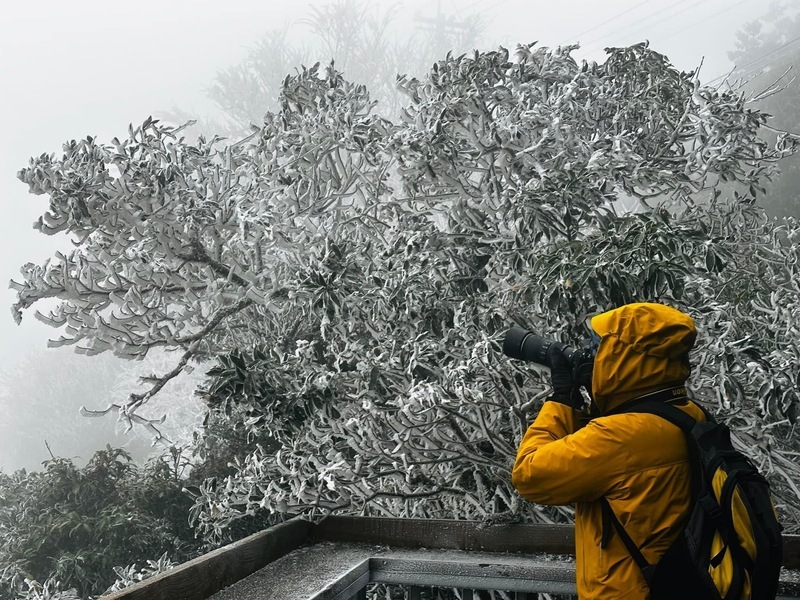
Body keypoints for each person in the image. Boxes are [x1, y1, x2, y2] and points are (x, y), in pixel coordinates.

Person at [511, 302, 704, 599]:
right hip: (683, 585)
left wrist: (562, 400)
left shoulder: (619, 436)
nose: (590, 355)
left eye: (598, 346)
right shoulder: (689, 414)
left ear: (625, 358)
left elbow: (529, 475)